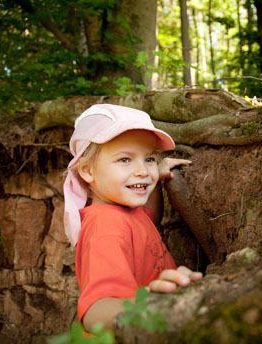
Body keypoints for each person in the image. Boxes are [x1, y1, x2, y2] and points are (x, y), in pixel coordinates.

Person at [62, 104, 203, 333]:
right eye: (125, 160)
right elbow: (94, 312)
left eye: (149, 159)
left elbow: (150, 220)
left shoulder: (123, 208)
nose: (143, 171)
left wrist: (156, 180)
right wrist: (150, 306)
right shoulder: (105, 227)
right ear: (87, 170)